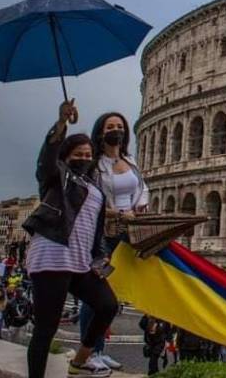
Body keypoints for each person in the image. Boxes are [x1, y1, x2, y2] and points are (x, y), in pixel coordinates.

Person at [22, 99, 118, 377]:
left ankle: (80, 360)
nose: (85, 159)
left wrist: (101, 254)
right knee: (46, 329)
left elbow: (93, 223)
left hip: (80, 261)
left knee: (107, 305)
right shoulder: (56, 176)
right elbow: (47, 157)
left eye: (89, 154)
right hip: (53, 257)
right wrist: (61, 123)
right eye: (79, 154)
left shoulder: (91, 184)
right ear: (67, 156)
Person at [78, 111, 149, 371]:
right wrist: (120, 212)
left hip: (126, 232)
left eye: (119, 126)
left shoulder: (130, 161)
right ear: (101, 132)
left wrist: (141, 205)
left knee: (111, 294)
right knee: (94, 295)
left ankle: (99, 350)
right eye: (110, 126)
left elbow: (142, 189)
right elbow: (90, 200)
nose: (116, 130)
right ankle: (89, 353)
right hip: (102, 235)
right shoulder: (95, 165)